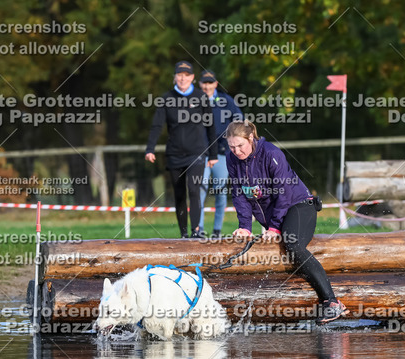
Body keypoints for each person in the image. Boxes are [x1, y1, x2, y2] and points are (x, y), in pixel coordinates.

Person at [225, 120, 349, 325]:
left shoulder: (271, 153)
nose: (236, 151)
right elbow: (239, 194)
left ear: (251, 138)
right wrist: (245, 226)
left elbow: (284, 193)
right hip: (276, 213)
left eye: (240, 145)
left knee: (292, 243)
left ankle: (332, 302)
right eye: (231, 147)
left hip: (299, 205)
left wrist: (274, 227)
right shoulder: (231, 159)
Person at [145, 60, 218, 238]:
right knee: (179, 194)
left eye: (186, 75)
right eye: (179, 75)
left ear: (192, 78)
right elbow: (157, 125)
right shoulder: (166, 98)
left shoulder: (201, 97)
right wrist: (150, 149)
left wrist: (213, 154)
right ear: (174, 77)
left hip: (197, 152)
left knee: (194, 189)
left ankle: (196, 231)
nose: (183, 78)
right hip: (174, 153)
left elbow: (211, 126)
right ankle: (184, 234)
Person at [197, 70, 243, 237]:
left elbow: (238, 120)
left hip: (222, 153)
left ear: (215, 84)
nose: (207, 86)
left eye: (210, 82)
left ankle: (217, 230)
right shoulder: (194, 101)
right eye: (204, 82)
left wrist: (229, 141)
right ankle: (199, 229)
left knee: (220, 191)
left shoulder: (226, 100)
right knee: (199, 191)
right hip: (201, 154)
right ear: (200, 84)